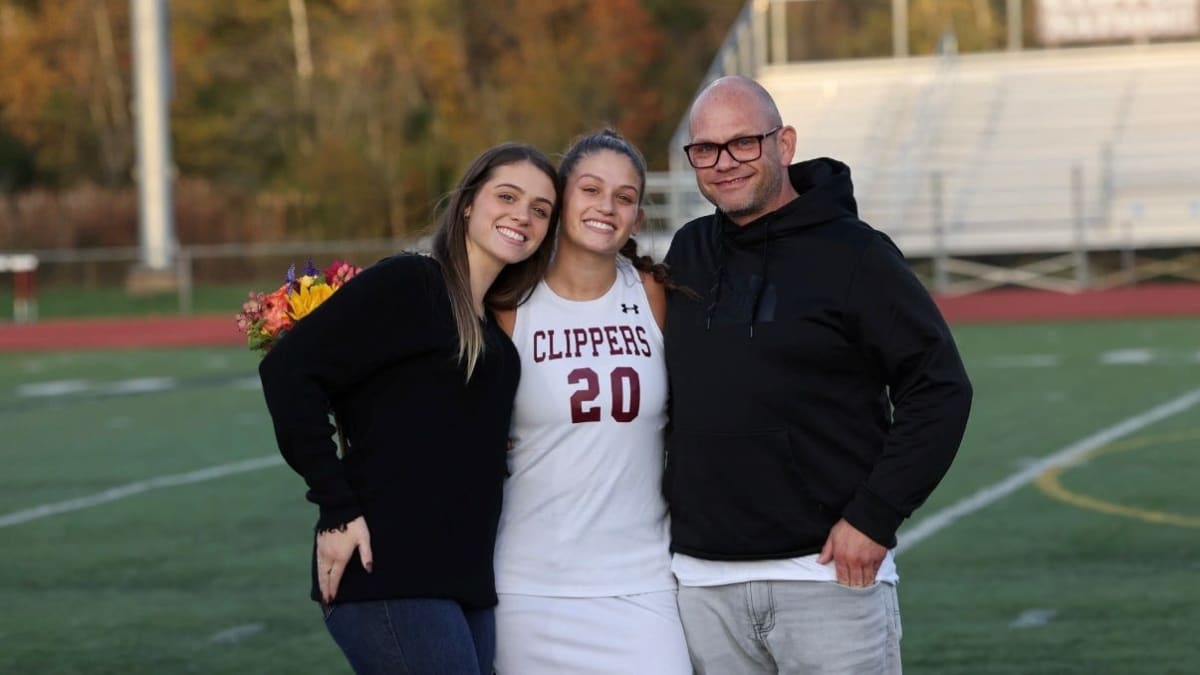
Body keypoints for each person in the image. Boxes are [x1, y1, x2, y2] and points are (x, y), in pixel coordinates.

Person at [662, 75, 974, 674]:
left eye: (744, 143)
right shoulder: (689, 251)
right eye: (706, 149)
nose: (724, 163)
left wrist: (874, 516)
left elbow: (939, 388)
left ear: (785, 144)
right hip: (703, 585)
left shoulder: (856, 254)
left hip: (828, 577)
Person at [258, 142, 559, 675]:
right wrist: (335, 509)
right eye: (507, 196)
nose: (522, 216)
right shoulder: (411, 283)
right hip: (388, 574)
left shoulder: (498, 342)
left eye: (540, 209)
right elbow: (288, 371)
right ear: (468, 202)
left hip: (464, 585)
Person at [491, 129, 691, 674]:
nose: (606, 206)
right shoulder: (508, 304)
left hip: (641, 583)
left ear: (637, 218)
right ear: (561, 200)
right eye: (590, 189)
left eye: (624, 197)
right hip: (528, 589)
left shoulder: (653, 294)